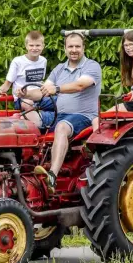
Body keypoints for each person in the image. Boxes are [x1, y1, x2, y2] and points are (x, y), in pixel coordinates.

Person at [25, 32, 102, 192]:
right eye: (70, 46)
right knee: (24, 118)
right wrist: (24, 93)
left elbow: (79, 85)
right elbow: (43, 91)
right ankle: (22, 170)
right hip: (58, 115)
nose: (74, 50)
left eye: (77, 46)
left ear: (83, 48)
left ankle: (52, 176)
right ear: (65, 48)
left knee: (61, 127)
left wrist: (57, 88)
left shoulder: (92, 66)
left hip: (83, 116)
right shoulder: (59, 69)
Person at [0, 31, 53, 113]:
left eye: (38, 45)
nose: (34, 48)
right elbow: (7, 84)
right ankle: (35, 119)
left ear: (43, 46)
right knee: (28, 103)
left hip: (38, 97)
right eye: (31, 45)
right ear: (26, 46)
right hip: (22, 98)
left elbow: (40, 82)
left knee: (61, 102)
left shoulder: (43, 61)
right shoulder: (18, 61)